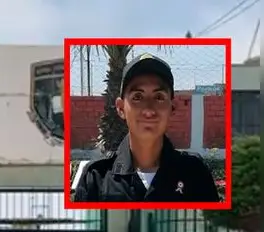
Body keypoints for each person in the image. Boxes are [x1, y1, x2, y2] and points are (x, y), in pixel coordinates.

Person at [73, 53, 221, 203]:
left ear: (172, 108)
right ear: (121, 108)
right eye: (137, 97)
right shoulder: (97, 178)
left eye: (159, 98)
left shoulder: (195, 173)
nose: (149, 110)